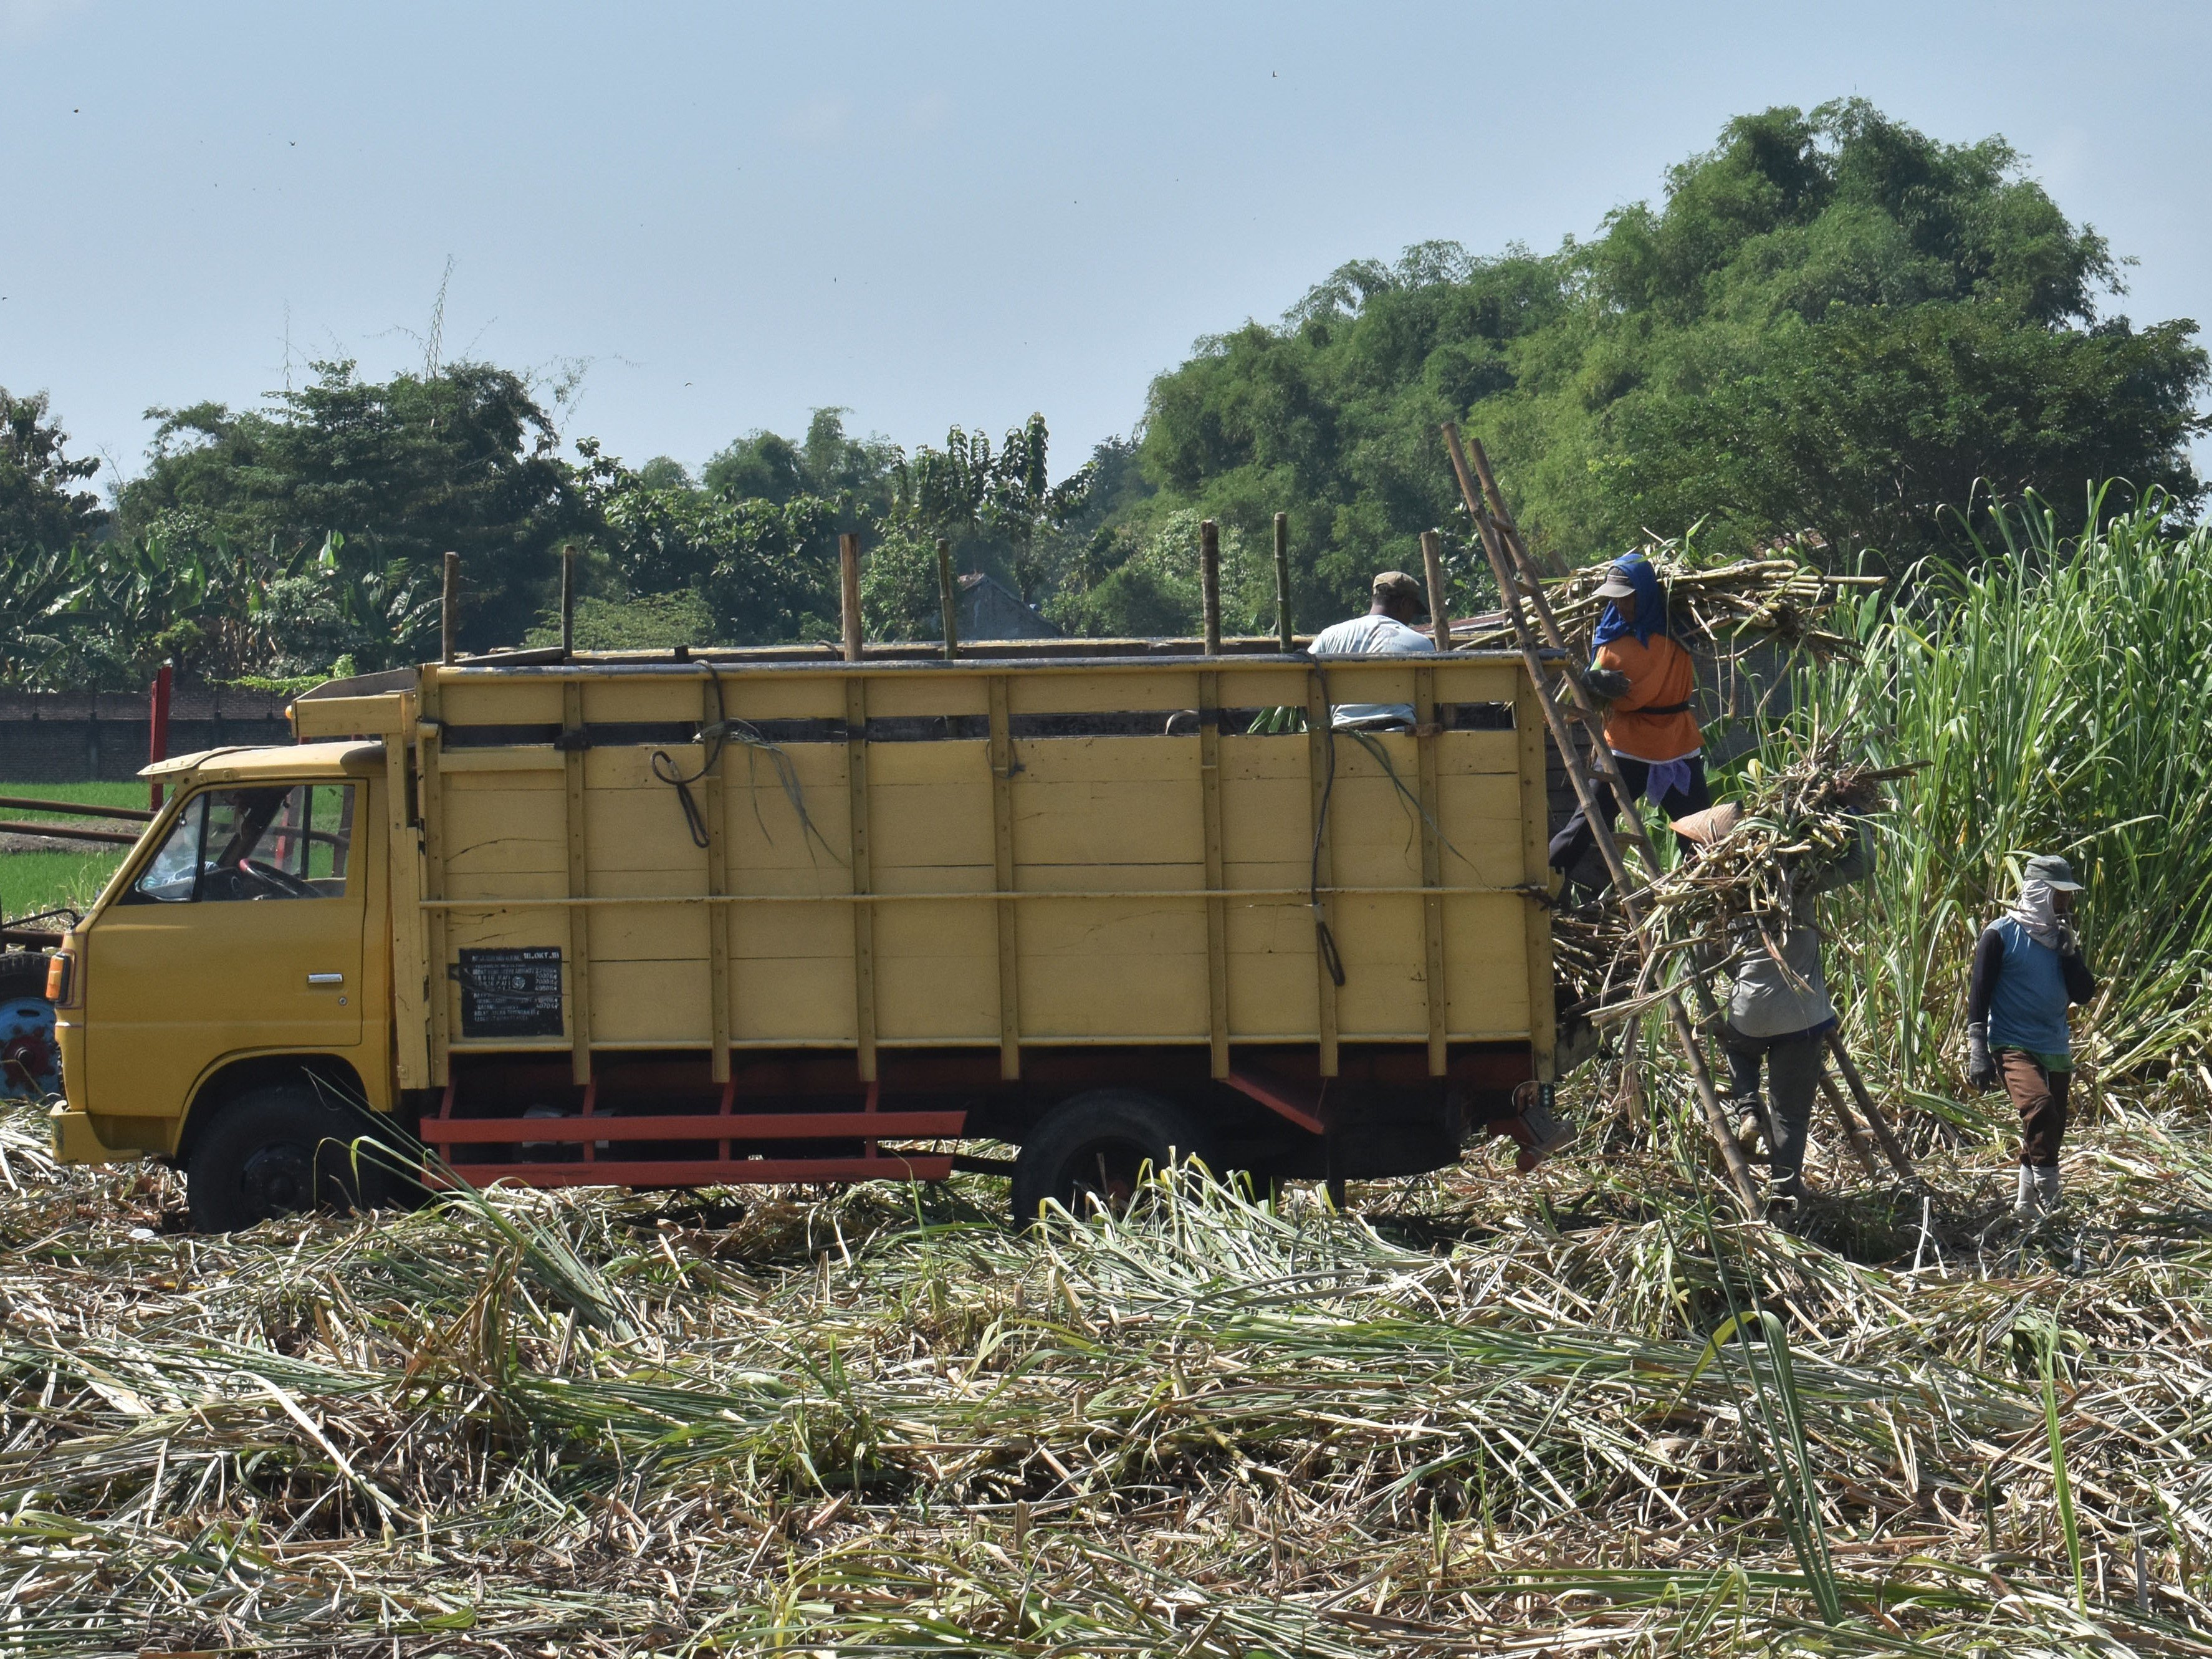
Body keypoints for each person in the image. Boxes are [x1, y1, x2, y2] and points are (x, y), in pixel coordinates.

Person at [1675, 792, 1874, 1209]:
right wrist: (1855, 818)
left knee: (1740, 1050)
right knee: (1789, 1112)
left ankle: (1748, 1107)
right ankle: (1784, 1189)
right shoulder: (1792, 881)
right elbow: (1860, 865)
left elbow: (1704, 963)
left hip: (1749, 1014)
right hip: (1801, 1020)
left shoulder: (1716, 898)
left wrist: (1741, 980)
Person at [1548, 553, 1708, 887]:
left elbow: (1717, 626)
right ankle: (1543, 881)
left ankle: (1709, 904)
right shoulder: (1610, 635)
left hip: (1676, 746)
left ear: (1646, 593)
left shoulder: (1680, 630)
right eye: (1615, 600)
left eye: (1628, 599)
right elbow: (1587, 694)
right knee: (1587, 822)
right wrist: (1593, 682)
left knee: (1701, 836)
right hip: (1627, 748)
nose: (1621, 607)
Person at [1966, 855, 2095, 1219]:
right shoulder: (2000, 934)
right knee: (2039, 1107)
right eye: (2059, 896)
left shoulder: (2061, 939)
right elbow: (1979, 992)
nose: (2065, 904)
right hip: (2012, 1042)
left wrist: (2071, 954)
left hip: (2054, 1045)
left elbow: (2084, 994)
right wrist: (1977, 1047)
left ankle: (2025, 1207)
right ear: (2038, 893)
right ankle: (2051, 1194)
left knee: (2050, 1128)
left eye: (2068, 897)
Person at [1308, 570, 1437, 729]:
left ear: (1374, 599)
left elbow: (1305, 675)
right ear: (1405, 604)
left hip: (1342, 737)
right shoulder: (1421, 644)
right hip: (1401, 736)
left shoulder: (1330, 635)